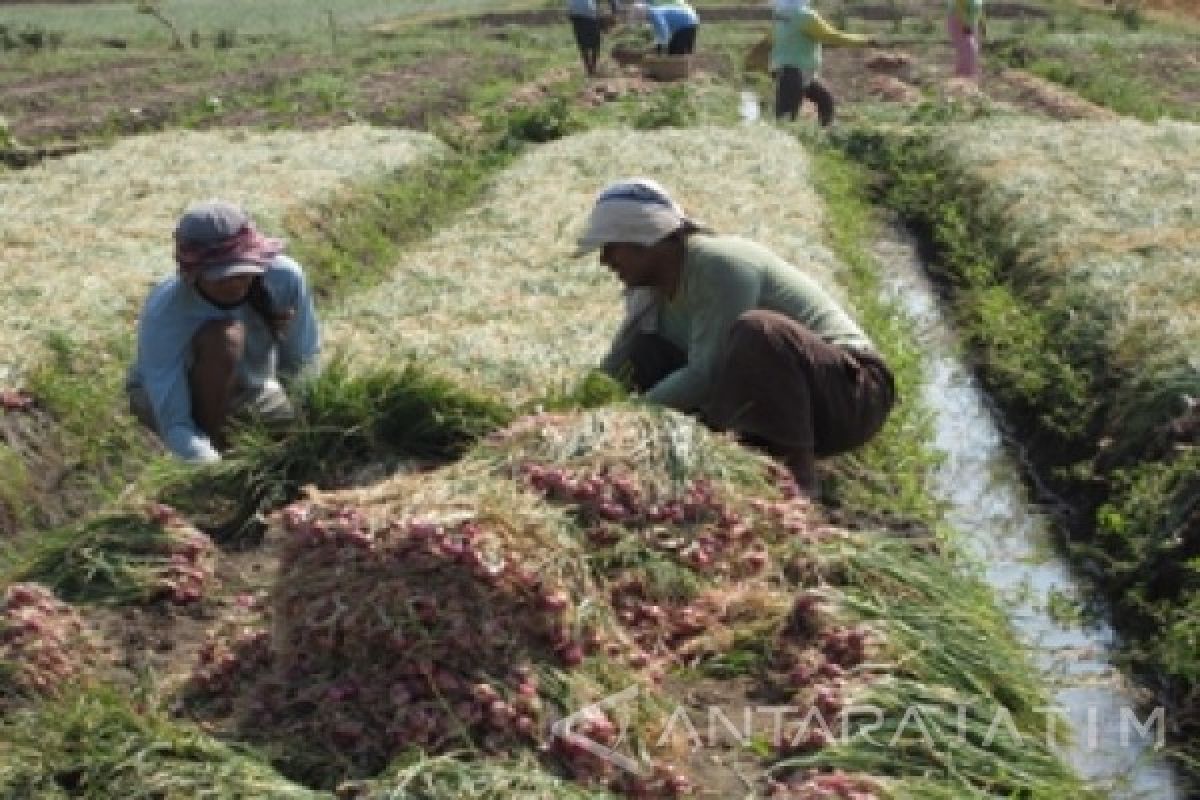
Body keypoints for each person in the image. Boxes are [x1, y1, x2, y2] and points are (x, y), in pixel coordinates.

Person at [576, 178, 895, 495]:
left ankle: (798, 478)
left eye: (611, 247)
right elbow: (616, 364)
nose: (605, 261)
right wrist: (582, 416)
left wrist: (630, 417)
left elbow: (705, 374)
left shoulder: (720, 265)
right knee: (644, 349)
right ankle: (702, 456)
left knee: (757, 330)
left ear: (645, 239)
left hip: (852, 395)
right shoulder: (649, 293)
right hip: (784, 398)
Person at [127, 200, 320, 463]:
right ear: (193, 274)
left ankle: (238, 446)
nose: (235, 284)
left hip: (248, 389)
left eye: (243, 272)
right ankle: (215, 446)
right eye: (221, 276)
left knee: (302, 433)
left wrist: (313, 429)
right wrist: (213, 468)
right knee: (224, 339)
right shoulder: (166, 312)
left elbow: (301, 366)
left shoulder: (285, 278)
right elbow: (176, 422)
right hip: (171, 395)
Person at [771, 0, 877, 126]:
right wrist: (863, 41)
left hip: (794, 70)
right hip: (794, 71)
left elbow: (772, 38)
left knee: (824, 100)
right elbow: (830, 36)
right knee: (787, 117)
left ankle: (824, 134)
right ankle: (786, 141)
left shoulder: (781, 15)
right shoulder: (804, 15)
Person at [947, 0, 985, 80]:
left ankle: (966, 77)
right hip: (960, 21)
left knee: (973, 49)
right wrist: (965, 23)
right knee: (969, 49)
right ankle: (965, 78)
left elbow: (979, 8)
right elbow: (959, 6)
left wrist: (981, 23)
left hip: (972, 23)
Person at [567, 0, 604, 77]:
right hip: (590, 18)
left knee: (583, 45)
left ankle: (588, 68)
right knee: (595, 44)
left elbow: (570, 11)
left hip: (577, 18)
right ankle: (593, 66)